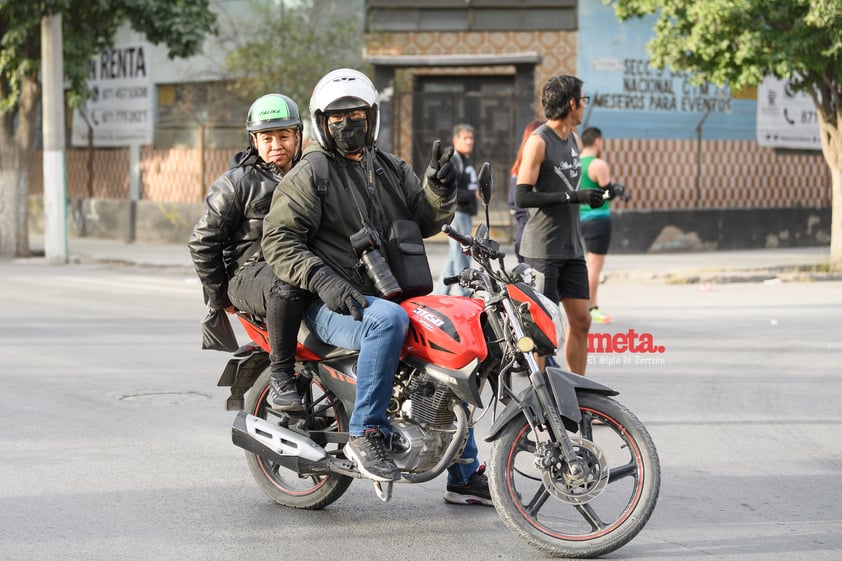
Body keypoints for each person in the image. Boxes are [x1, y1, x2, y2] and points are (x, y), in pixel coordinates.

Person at [262, 68, 492, 505]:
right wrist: (324, 281)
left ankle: (463, 472)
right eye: (337, 118)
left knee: (455, 332)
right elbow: (278, 240)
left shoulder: (388, 167)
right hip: (332, 304)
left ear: (373, 117)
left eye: (357, 115)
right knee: (387, 320)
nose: (348, 124)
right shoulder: (312, 173)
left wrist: (438, 189)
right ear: (321, 123)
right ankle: (366, 432)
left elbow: (424, 220)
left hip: (384, 291)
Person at [188, 93, 310, 411]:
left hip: (300, 268)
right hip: (250, 276)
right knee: (286, 283)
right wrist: (220, 299)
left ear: (298, 136)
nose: (276, 145)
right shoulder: (237, 184)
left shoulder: (312, 175)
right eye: (267, 138)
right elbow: (202, 242)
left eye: (284, 136)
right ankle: (282, 378)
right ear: (254, 140)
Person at [514, 75, 604, 375]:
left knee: (582, 320)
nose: (584, 106)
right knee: (544, 329)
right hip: (544, 249)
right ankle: (543, 412)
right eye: (583, 100)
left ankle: (578, 394)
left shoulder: (574, 140)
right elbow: (522, 196)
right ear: (571, 104)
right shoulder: (539, 142)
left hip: (572, 247)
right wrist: (574, 196)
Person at [579, 126, 628, 324]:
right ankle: (592, 307)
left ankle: (582, 306)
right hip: (598, 219)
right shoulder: (598, 164)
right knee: (594, 267)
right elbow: (604, 193)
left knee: (582, 265)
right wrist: (616, 191)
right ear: (598, 141)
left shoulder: (576, 162)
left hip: (578, 218)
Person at [434, 123, 478, 295]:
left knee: (455, 253)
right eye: (465, 138)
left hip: (464, 213)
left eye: (471, 138)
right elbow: (449, 189)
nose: (469, 142)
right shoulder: (453, 160)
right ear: (455, 140)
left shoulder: (464, 159)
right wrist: (472, 195)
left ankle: (440, 292)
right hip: (457, 212)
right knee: (462, 251)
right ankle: (465, 291)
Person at [508, 119, 543, 263]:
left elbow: (512, 204)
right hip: (533, 239)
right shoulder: (530, 170)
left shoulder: (518, 168)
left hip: (523, 236)